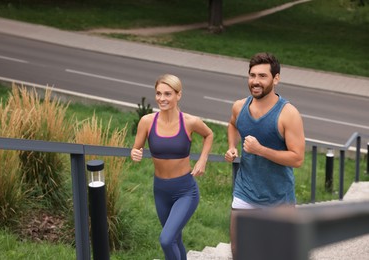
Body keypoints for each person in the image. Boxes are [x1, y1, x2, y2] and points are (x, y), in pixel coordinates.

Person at [224, 52, 305, 258]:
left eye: (262, 76)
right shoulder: (239, 107)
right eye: (252, 75)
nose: (255, 81)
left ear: (276, 78)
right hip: (245, 193)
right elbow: (233, 125)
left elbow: (297, 158)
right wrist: (233, 146)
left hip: (278, 198)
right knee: (238, 251)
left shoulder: (288, 114)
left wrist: (260, 150)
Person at [131, 74, 213, 260]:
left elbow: (209, 135)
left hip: (185, 191)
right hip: (160, 190)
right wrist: (135, 153)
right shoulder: (147, 121)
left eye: (167, 94)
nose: (162, 98)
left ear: (178, 95)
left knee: (166, 240)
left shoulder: (190, 122)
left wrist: (202, 160)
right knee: (175, 239)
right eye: (158, 94)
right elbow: (136, 148)